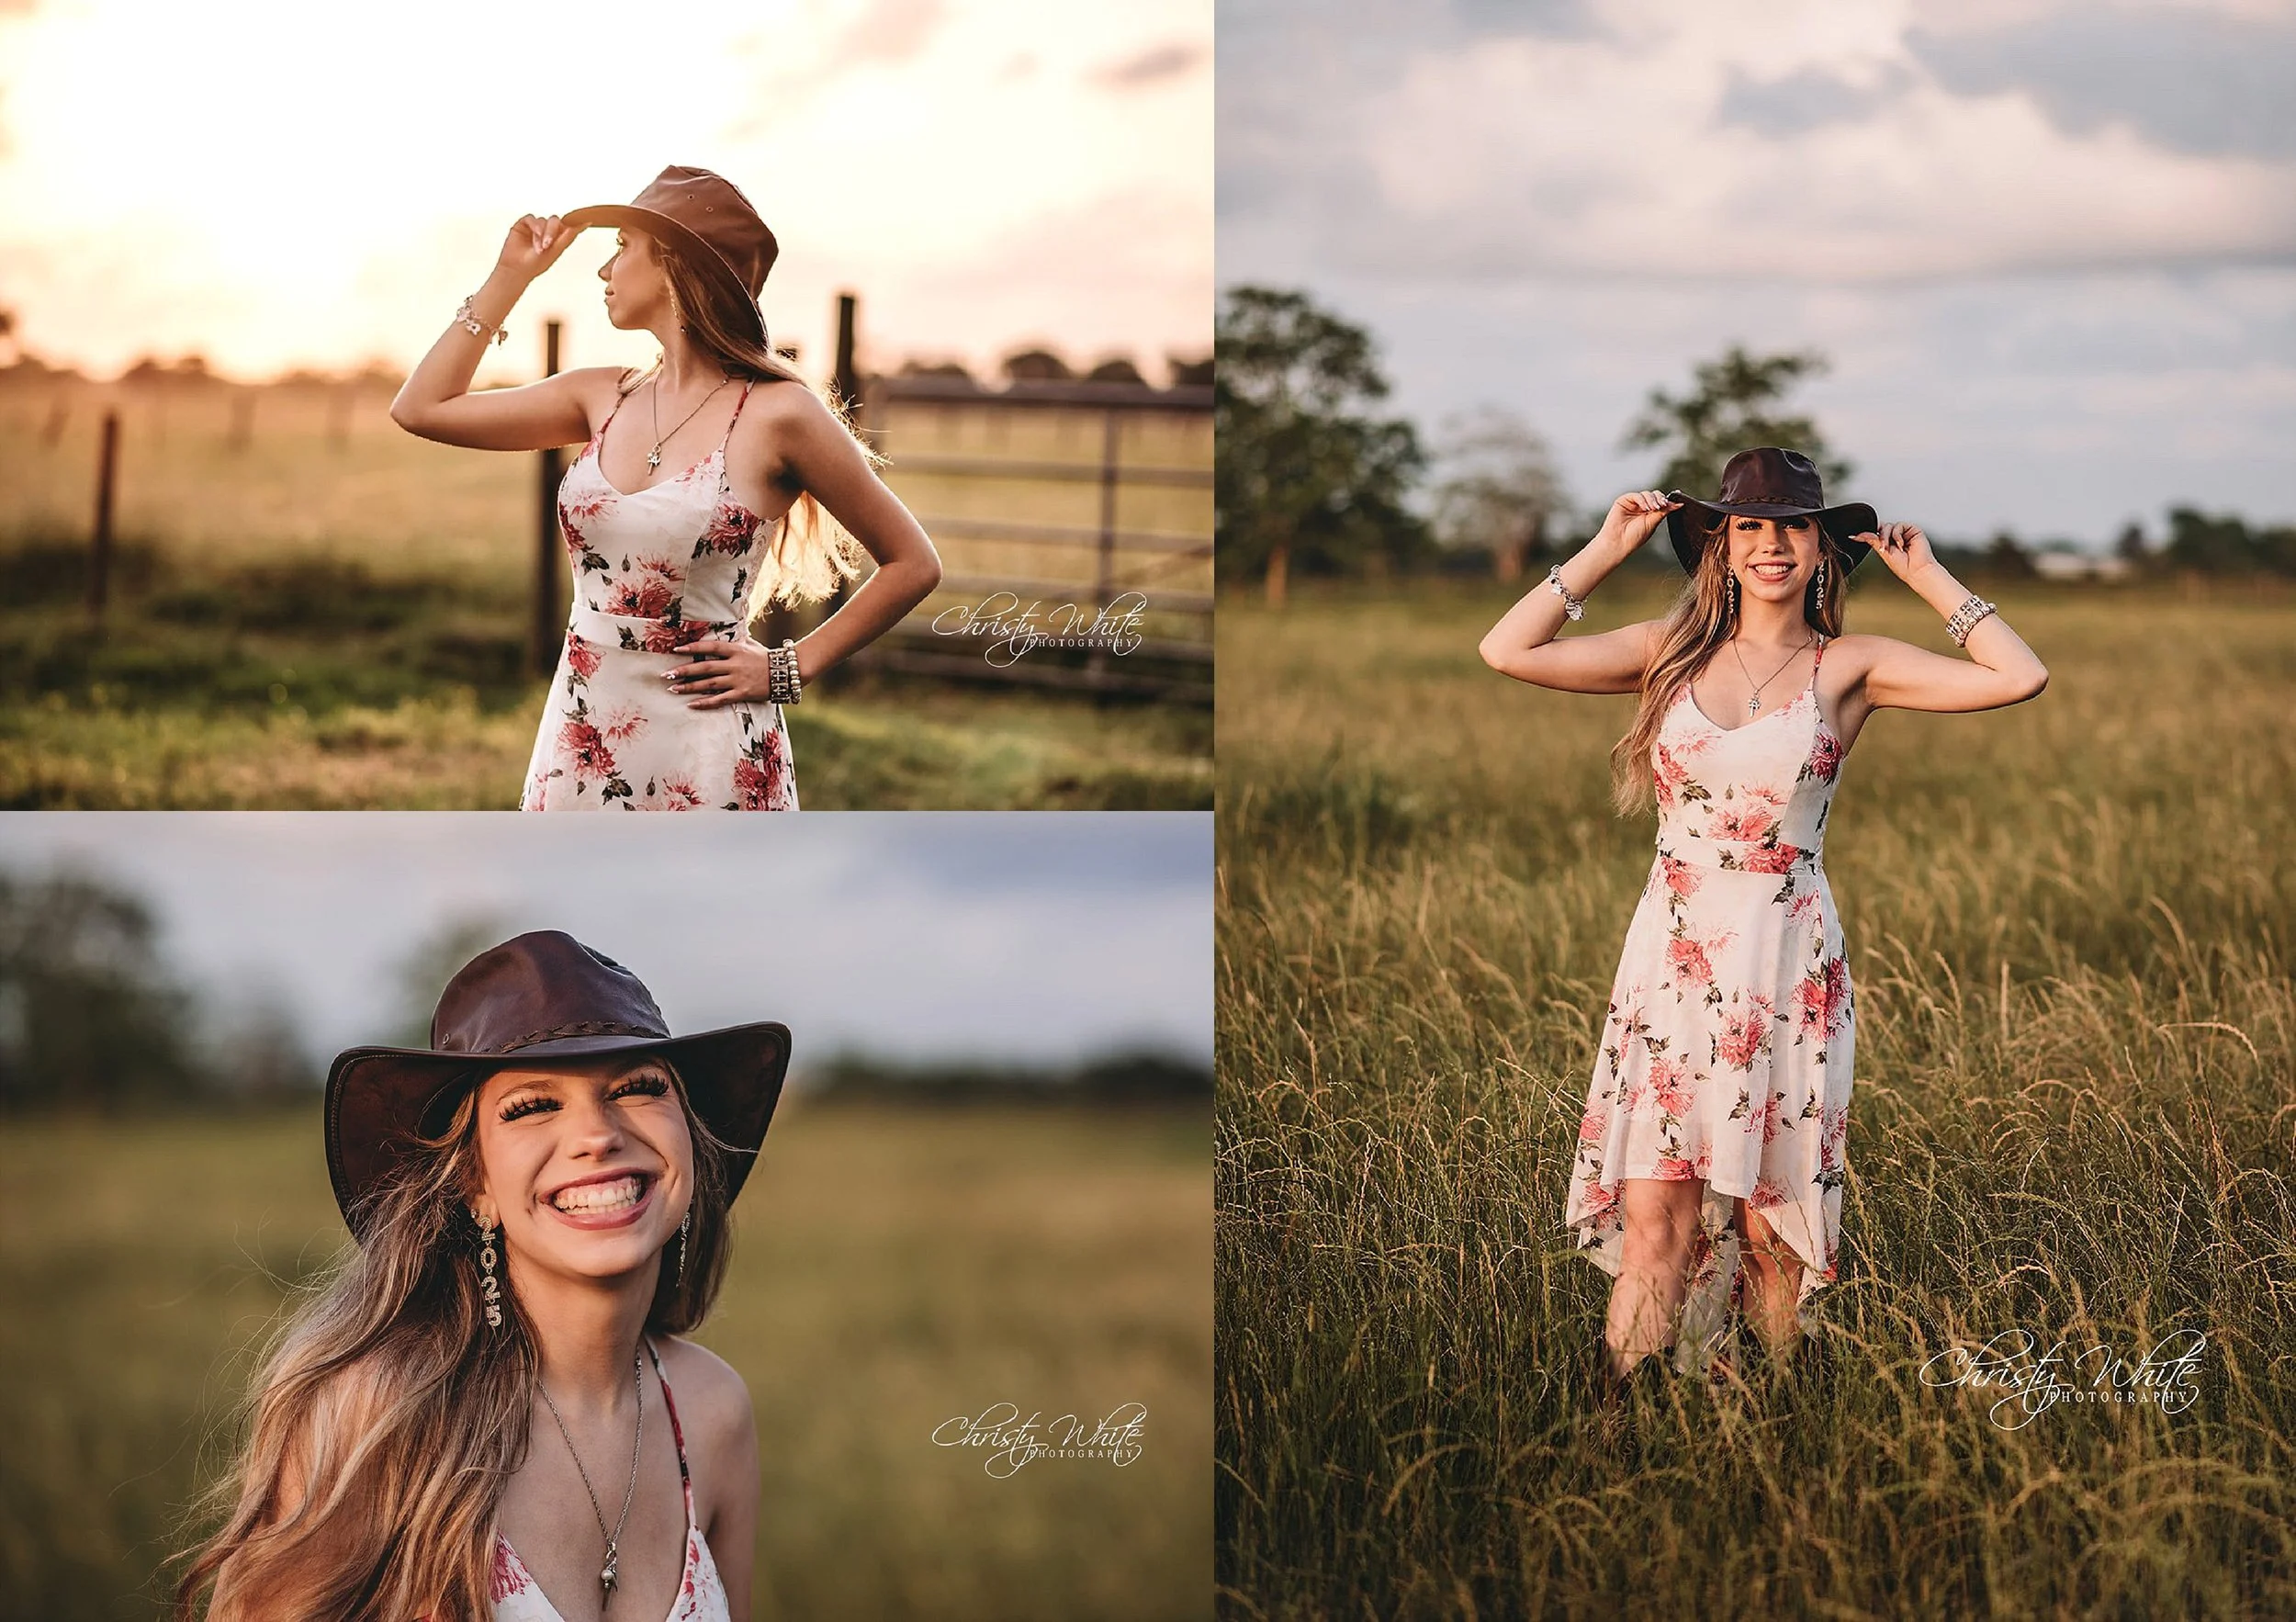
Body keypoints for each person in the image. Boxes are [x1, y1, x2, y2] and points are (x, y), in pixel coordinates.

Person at [1476, 447, 2048, 1402]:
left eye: (1791, 525)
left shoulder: (1850, 666)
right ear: (1721, 546)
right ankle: (1620, 1432)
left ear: (1821, 545)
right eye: (1749, 525)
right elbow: (1506, 649)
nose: (1771, 543)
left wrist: (1927, 575)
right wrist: (1603, 548)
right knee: (1657, 1208)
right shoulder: (1667, 651)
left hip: (1785, 962)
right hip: (1673, 960)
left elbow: (2017, 675)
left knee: (1767, 1222)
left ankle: (1777, 1429)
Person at [174, 930, 793, 1621]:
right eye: (533, 1105)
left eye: (637, 1088)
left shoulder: (713, 1412)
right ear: (475, 1183)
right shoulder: (378, 1419)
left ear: (691, 1140)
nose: (596, 1134)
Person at [390, 165, 943, 810]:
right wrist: (510, 277)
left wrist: (790, 667)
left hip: (706, 749)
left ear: (675, 265)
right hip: (583, 730)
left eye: (622, 247)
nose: (604, 270)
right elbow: (421, 409)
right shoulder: (601, 395)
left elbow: (913, 563)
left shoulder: (780, 414)